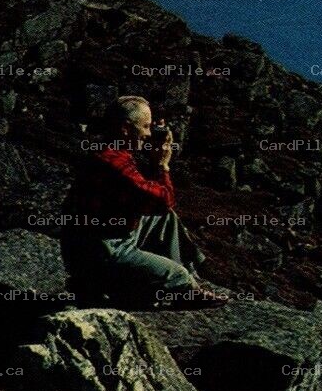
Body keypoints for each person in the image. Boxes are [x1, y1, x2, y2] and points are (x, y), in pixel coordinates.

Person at [61, 95, 226, 309]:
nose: (148, 134)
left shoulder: (109, 150)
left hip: (97, 239)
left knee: (165, 219)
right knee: (178, 274)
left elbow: (144, 200)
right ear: (125, 129)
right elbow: (161, 200)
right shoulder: (114, 163)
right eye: (145, 127)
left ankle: (182, 278)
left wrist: (152, 158)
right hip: (105, 252)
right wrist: (162, 166)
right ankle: (181, 285)